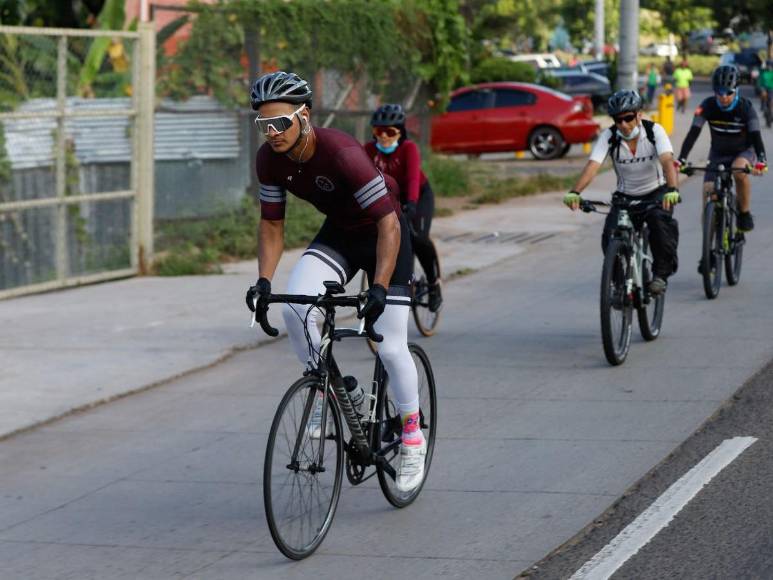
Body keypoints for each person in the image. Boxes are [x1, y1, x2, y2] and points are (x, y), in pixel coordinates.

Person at [245, 71, 426, 492]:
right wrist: (264, 281)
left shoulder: (341, 153)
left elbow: (387, 223)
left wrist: (378, 287)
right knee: (296, 308)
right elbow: (271, 224)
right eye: (264, 124)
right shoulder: (268, 160)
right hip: (341, 234)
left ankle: (412, 435)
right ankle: (333, 391)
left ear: (304, 116)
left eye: (280, 123)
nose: (272, 133)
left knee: (389, 344)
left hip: (385, 233)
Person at [563, 90, 680, 295]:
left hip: (655, 192)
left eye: (628, 118)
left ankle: (660, 276)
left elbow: (667, 161)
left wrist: (672, 189)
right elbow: (593, 166)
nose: (624, 124)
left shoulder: (654, 131)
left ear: (639, 115)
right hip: (625, 196)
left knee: (660, 226)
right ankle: (618, 283)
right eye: (618, 120)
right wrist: (575, 192)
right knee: (609, 237)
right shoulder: (609, 137)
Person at [364, 103, 442, 312]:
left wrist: (413, 205)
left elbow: (413, 179)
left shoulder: (409, 148)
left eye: (390, 132)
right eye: (378, 131)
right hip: (389, 199)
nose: (384, 136)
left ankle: (433, 284)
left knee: (418, 237)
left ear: (400, 132)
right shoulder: (368, 150)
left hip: (417, 196)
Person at [677, 65, 768, 234]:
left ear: (736, 90)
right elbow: (693, 133)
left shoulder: (746, 108)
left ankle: (744, 213)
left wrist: (762, 160)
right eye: (719, 92)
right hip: (718, 153)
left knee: (738, 171)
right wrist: (681, 158)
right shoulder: (707, 105)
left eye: (728, 92)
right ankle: (709, 243)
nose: (724, 97)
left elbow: (756, 136)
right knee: (707, 190)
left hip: (743, 151)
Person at [759, 60, 773, 126]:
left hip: (771, 89)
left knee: (770, 104)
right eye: (768, 66)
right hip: (764, 89)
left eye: (770, 66)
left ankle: (770, 117)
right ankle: (766, 113)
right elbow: (760, 82)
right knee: (764, 104)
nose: (769, 67)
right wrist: (762, 90)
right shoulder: (763, 72)